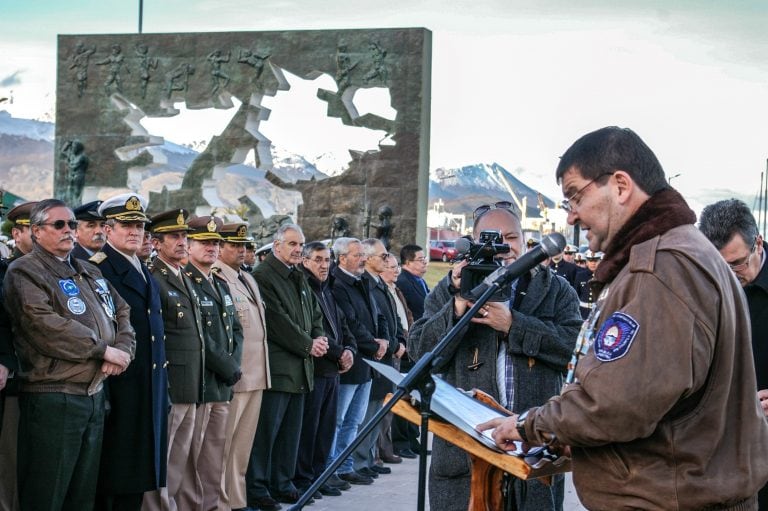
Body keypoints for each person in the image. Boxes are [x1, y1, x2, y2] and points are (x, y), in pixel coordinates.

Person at [477, 126, 768, 510]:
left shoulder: (661, 266)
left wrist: (532, 425)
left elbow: (617, 404)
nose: (571, 217)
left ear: (620, 185)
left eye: (575, 196)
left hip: (669, 498)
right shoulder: (679, 252)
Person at [410, 202, 581, 511]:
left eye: (511, 237)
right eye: (491, 238)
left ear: (524, 239)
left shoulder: (557, 290)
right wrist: (457, 307)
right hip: (466, 459)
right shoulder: (449, 290)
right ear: (474, 243)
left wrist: (514, 325)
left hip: (532, 452)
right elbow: (420, 353)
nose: (502, 246)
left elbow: (573, 350)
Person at [3, 199, 135, 510]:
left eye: (72, 224)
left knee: (82, 494)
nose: (68, 230)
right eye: (59, 224)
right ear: (36, 231)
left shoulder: (87, 269)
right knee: (47, 493)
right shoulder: (24, 270)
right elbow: (44, 324)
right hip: (54, 395)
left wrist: (124, 350)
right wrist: (103, 350)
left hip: (93, 393)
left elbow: (122, 312)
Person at [91, 193, 168, 510]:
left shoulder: (142, 269)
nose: (136, 231)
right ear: (108, 229)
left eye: (139, 225)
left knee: (138, 471)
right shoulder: (99, 269)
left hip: (147, 384)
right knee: (113, 472)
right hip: (120, 384)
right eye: (127, 225)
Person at [248, 224, 328, 510]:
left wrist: (319, 337)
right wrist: (308, 344)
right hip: (279, 369)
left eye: (300, 245)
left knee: (290, 434)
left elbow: (314, 312)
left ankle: (282, 483)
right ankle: (257, 487)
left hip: (301, 369)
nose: (298, 249)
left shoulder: (297, 276)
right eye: (292, 244)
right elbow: (277, 322)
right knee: (267, 433)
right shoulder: (264, 275)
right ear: (276, 244)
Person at [699, 198, 768, 509]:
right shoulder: (702, 284)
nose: (727, 275)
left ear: (758, 243)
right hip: (721, 453)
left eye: (737, 263)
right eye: (717, 265)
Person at [144, 208, 207, 511]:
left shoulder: (183, 275)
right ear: (156, 243)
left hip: (191, 380)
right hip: (171, 381)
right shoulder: (155, 276)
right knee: (164, 456)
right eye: (174, 237)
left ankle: (172, 505)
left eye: (184, 236)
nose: (182, 241)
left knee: (179, 458)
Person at [184, 215, 243, 511]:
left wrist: (234, 364)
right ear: (189, 244)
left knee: (214, 458)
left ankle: (212, 507)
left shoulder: (219, 282)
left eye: (216, 243)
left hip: (222, 385)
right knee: (191, 461)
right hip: (202, 382)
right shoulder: (187, 281)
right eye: (204, 242)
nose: (212, 248)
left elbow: (236, 329)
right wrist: (228, 367)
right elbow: (199, 337)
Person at [212, 223, 270, 511]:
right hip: (235, 376)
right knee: (223, 446)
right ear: (219, 246)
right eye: (233, 245)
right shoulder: (216, 277)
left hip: (257, 373)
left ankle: (236, 499)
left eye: (243, 245)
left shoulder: (247, 278)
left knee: (241, 448)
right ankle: (221, 501)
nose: (240, 250)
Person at [294, 241, 357, 498]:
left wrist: (350, 349)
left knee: (326, 428)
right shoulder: (305, 287)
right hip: (317, 368)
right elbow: (313, 330)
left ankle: (320, 475)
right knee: (310, 428)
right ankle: (305, 479)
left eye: (327, 260)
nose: (324, 265)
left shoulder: (326, 288)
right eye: (318, 260)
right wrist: (339, 352)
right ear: (305, 261)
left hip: (333, 370)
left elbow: (342, 324)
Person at [329, 237, 387, 486]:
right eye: (358, 254)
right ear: (342, 258)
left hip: (367, 361)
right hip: (351, 361)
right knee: (338, 420)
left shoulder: (361, 281)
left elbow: (378, 315)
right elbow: (350, 322)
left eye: (364, 253)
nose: (363, 258)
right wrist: (374, 345)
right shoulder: (337, 284)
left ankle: (346, 466)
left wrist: (384, 340)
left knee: (354, 420)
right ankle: (331, 469)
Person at [353, 239, 403, 479]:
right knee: (366, 412)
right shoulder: (367, 284)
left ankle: (369, 457)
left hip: (386, 354)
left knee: (378, 410)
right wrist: (388, 344)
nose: (387, 260)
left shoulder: (379, 285)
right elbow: (367, 322)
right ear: (370, 258)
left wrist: (396, 342)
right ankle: (360, 461)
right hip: (374, 355)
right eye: (383, 257)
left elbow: (387, 320)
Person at [0, 201, 36, 511]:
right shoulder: (8, 270)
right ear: (17, 233)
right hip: (15, 380)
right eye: (32, 229)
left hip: (47, 381)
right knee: (10, 460)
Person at [392, 243, 428, 458]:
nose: (424, 263)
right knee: (405, 395)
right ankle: (401, 441)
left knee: (416, 395)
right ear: (407, 263)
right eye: (420, 259)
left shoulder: (420, 281)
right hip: (408, 348)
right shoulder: (404, 282)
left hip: (418, 348)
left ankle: (412, 438)